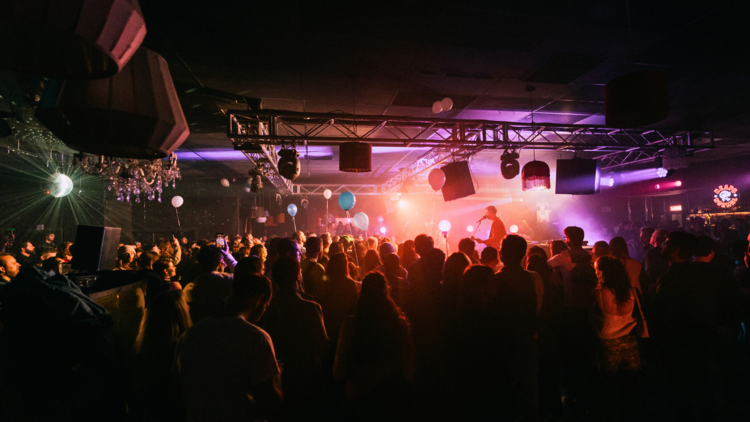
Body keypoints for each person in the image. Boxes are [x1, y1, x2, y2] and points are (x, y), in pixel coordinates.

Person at [174, 273, 282, 422]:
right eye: (266, 305)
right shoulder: (256, 338)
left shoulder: (190, 334)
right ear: (258, 299)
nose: (264, 311)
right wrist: (277, 379)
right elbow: (268, 402)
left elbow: (176, 393)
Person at [333, 272, 415, 420]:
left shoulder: (350, 325)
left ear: (362, 292)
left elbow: (338, 372)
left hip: (358, 397)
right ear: (386, 292)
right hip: (391, 398)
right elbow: (409, 371)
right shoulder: (399, 325)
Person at [651, 231, 714, 421]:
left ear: (675, 250)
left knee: (679, 390)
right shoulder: (700, 273)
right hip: (700, 339)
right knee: (702, 386)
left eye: (666, 243)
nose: (662, 245)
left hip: (677, 343)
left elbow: (667, 315)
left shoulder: (670, 278)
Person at [258, 258, 328, 420]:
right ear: (298, 276)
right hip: (306, 379)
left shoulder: (266, 308)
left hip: (276, 378)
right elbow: (322, 347)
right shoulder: (310, 307)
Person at [492, 235, 542, 422]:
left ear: (502, 253)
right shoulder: (534, 278)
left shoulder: (496, 280)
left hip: (505, 349)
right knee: (530, 399)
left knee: (505, 400)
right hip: (530, 345)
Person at [590, 256, 642, 420]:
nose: (595, 271)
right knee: (631, 388)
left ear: (603, 273)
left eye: (597, 269)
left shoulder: (598, 293)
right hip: (630, 344)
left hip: (608, 346)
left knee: (607, 387)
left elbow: (591, 318)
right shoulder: (631, 292)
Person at [134, 290, 192, 422]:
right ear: (180, 313)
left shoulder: (143, 350)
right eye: (186, 304)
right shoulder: (182, 348)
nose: (189, 307)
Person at [186, 246, 234, 324]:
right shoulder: (229, 280)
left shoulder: (191, 286)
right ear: (219, 263)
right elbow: (243, 273)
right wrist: (227, 255)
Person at [321, 253, 359, 347]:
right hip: (344, 323)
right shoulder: (350, 283)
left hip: (328, 321)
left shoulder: (325, 281)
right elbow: (354, 304)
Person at [301, 237, 326, 301]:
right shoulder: (319, 268)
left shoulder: (299, 264)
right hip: (313, 302)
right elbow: (322, 290)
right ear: (319, 249)